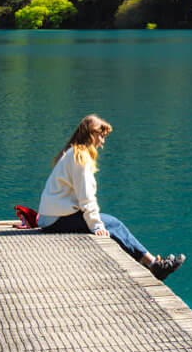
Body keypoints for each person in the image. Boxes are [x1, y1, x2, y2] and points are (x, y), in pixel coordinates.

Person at [37, 115, 184, 280]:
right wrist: (96, 226)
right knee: (113, 224)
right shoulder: (80, 157)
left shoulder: (73, 153)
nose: (102, 141)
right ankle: (153, 265)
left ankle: (152, 264)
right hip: (56, 221)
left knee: (113, 223)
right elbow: (86, 197)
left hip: (51, 219)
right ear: (91, 134)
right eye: (101, 136)